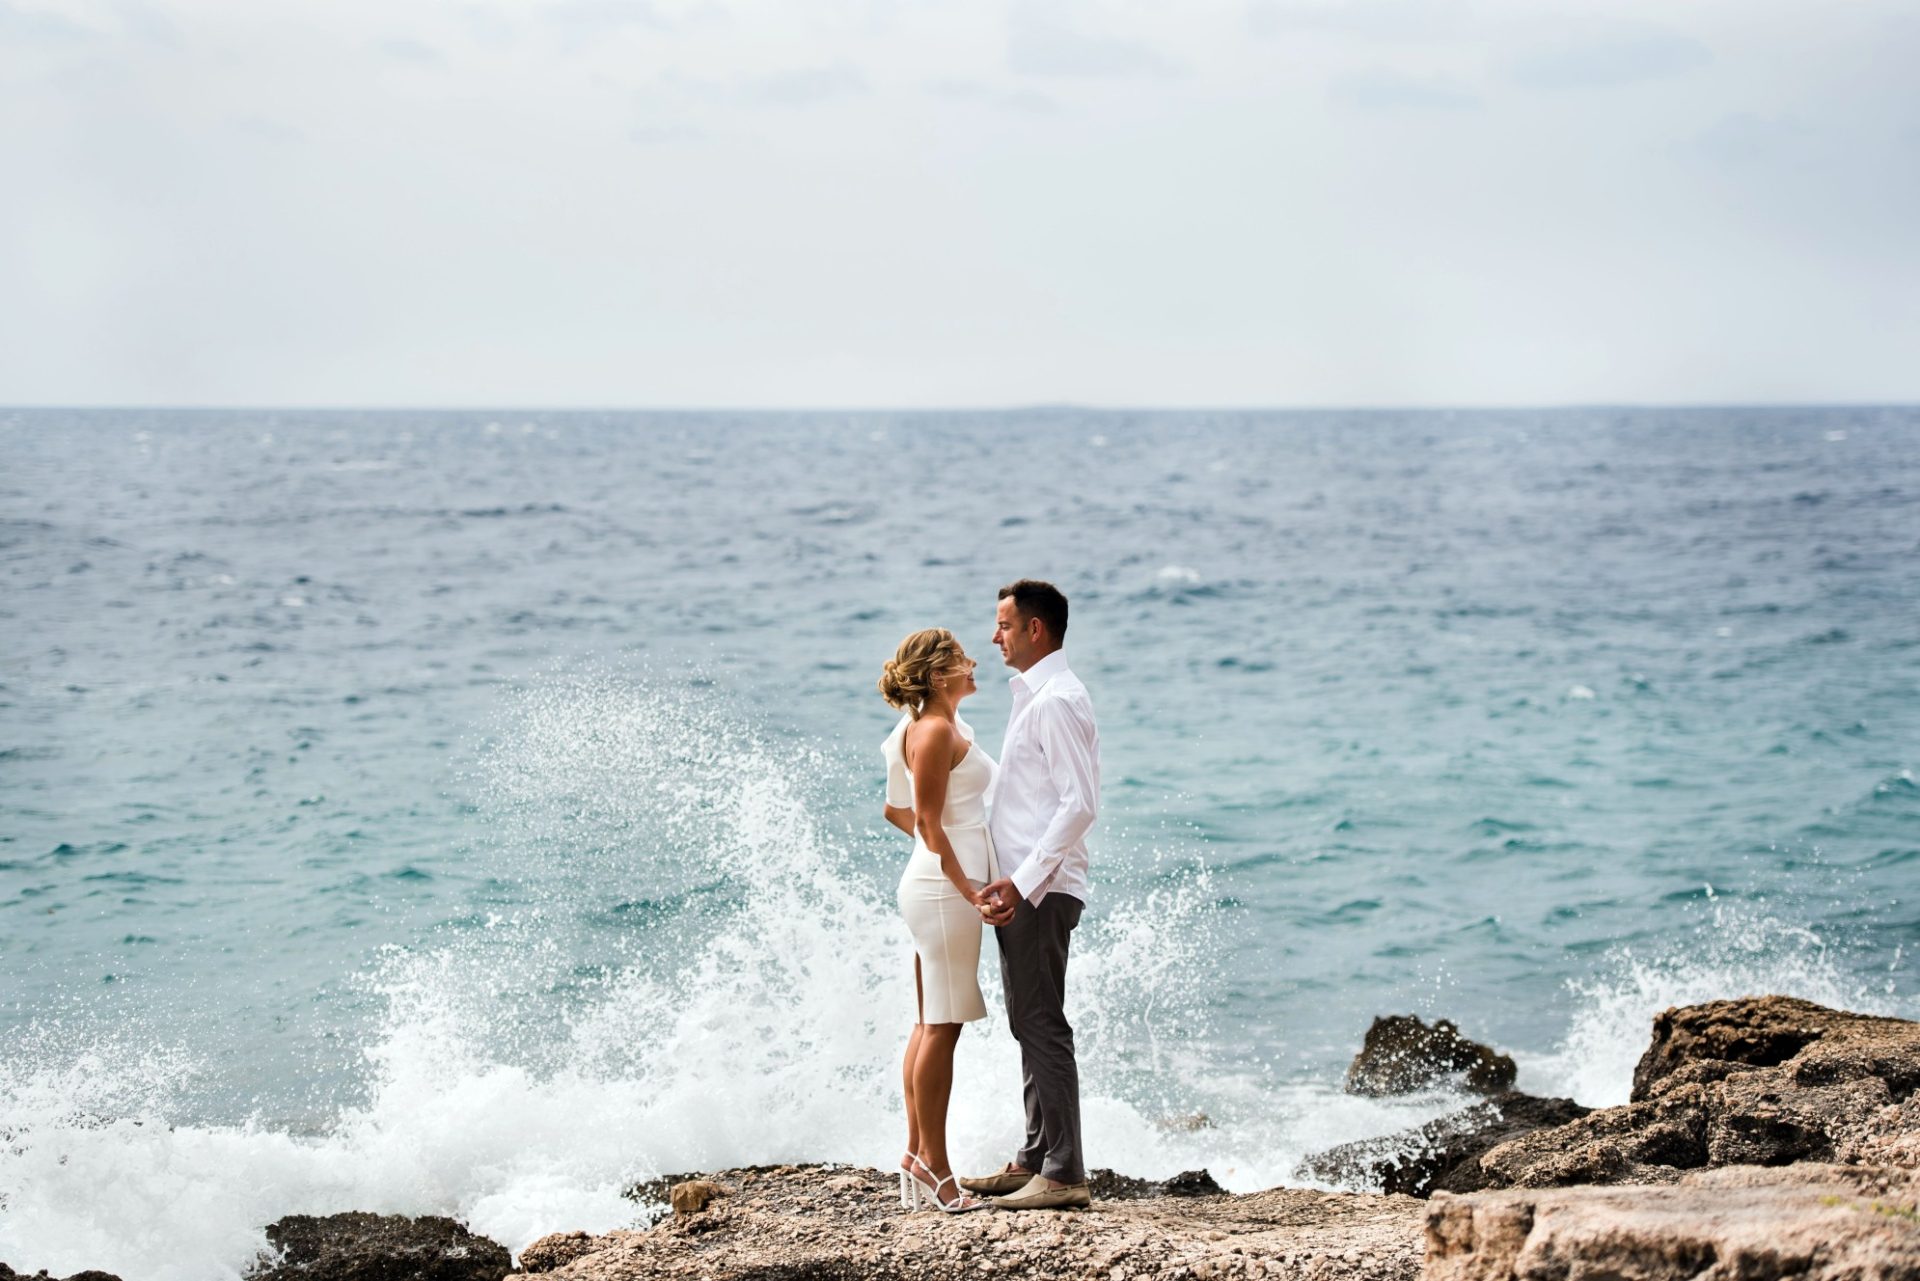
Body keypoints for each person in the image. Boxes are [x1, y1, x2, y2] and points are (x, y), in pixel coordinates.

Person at [964, 579, 1100, 1210]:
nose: (995, 637)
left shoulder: (1057, 701)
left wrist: (1020, 882)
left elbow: (1079, 806)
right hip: (1024, 887)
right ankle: (1037, 1154)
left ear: (1035, 629)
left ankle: (1066, 1172)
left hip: (1040, 889)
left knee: (1041, 1021)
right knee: (1027, 1019)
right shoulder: (1035, 697)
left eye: (1005, 626)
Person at [879, 627, 997, 1214]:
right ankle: (937, 1168)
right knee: (942, 1028)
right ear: (936, 675)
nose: (973, 663)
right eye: (959, 659)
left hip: (938, 887)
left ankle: (913, 1156)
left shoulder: (935, 727)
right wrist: (965, 884)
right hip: (946, 895)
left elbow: (894, 810)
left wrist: (945, 867)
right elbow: (924, 820)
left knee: (931, 1023)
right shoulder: (933, 731)